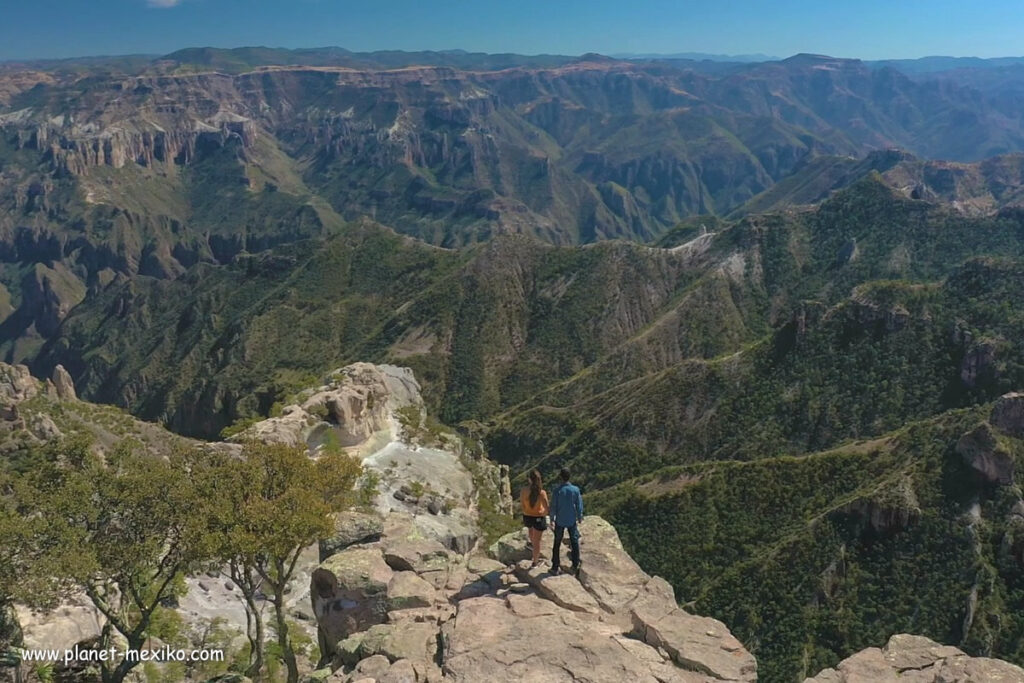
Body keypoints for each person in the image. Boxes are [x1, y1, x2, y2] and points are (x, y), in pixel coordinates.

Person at [549, 467, 583, 577]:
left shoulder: (557, 491)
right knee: (574, 541)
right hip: (571, 519)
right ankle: (575, 564)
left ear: (560, 477)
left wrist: (552, 519)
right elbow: (579, 504)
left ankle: (555, 566)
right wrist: (580, 516)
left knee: (557, 542)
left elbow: (553, 506)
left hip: (560, 520)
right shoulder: (575, 490)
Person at [520, 469, 549, 567]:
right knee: (537, 541)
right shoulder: (541, 492)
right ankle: (535, 561)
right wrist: (543, 513)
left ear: (529, 479)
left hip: (527, 516)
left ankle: (534, 551)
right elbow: (546, 507)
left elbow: (522, 505)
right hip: (538, 517)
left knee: (531, 535)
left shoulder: (524, 490)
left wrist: (527, 511)